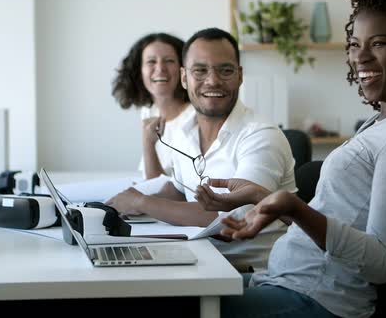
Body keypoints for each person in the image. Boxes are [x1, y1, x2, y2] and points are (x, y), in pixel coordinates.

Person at [194, 0, 386, 317]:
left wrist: (294, 208)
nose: (361, 56)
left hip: (315, 301)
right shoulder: (383, 124)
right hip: (289, 285)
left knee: (165, 303)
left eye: (379, 43)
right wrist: (261, 196)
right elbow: (343, 217)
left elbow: (383, 262)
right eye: (355, 45)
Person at [106, 28, 296, 272]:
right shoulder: (183, 132)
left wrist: (143, 202)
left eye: (225, 70)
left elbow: (233, 217)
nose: (213, 80)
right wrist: (119, 202)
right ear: (184, 78)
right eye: (200, 70)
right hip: (197, 263)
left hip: (254, 275)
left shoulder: (261, 136)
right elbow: (178, 187)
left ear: (239, 76)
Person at [112, 33, 194, 179]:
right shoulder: (148, 111)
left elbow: (162, 188)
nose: (160, 68)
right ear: (139, 72)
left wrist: (148, 143)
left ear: (183, 69)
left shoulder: (195, 116)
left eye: (169, 61)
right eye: (151, 61)